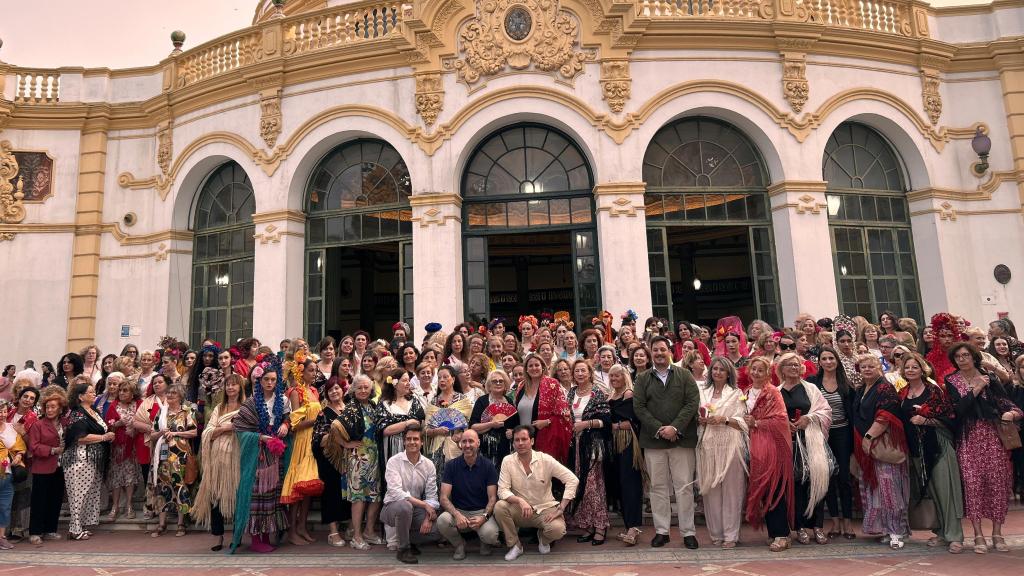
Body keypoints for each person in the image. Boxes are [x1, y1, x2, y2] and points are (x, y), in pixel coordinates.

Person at [944, 342, 1023, 553]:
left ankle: (997, 533)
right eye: (958, 356)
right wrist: (976, 389)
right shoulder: (951, 380)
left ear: (974, 357)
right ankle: (978, 534)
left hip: (992, 437)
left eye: (966, 355)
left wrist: (1013, 414)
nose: (962, 359)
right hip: (967, 438)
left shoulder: (991, 378)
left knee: (998, 482)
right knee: (972, 484)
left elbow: (1006, 404)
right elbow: (957, 411)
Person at [633, 336, 700, 549]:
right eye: (655, 350)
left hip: (682, 440)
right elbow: (639, 407)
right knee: (658, 488)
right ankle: (662, 531)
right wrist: (660, 429)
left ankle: (688, 532)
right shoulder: (643, 378)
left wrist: (675, 428)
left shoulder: (684, 375)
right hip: (654, 442)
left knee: (684, 488)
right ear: (651, 353)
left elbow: (692, 403)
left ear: (670, 351)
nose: (659, 353)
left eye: (663, 349)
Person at [897, 353, 964, 554]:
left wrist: (927, 421)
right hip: (917, 450)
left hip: (939, 446)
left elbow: (950, 418)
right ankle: (942, 532)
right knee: (933, 493)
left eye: (914, 367)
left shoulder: (934, 390)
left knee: (947, 493)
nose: (910, 370)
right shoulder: (902, 393)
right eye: (907, 367)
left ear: (922, 369)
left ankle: (955, 536)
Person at [230, 356, 291, 554]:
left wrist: (285, 425)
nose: (270, 383)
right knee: (257, 495)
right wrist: (261, 438)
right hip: (258, 454)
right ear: (259, 380)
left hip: (276, 453)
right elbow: (239, 428)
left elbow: (288, 419)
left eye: (273, 379)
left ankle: (266, 534)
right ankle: (256, 538)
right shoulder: (251, 403)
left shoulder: (283, 400)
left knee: (271, 496)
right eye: (266, 380)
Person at [494, 425, 579, 561]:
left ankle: (543, 540)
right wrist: (520, 501)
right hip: (520, 510)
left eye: (524, 439)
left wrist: (561, 508)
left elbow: (572, 480)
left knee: (558, 529)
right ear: (513, 442)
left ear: (532, 441)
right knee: (499, 507)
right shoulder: (508, 461)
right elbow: (502, 490)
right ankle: (515, 545)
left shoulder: (545, 459)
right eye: (517, 440)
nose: (520, 443)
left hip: (544, 508)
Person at [852, 354, 910, 550]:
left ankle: (896, 532)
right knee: (875, 490)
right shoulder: (860, 389)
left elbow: (885, 415)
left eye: (871, 366)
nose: (867, 369)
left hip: (882, 445)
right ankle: (885, 529)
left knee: (889, 489)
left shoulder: (885, 388)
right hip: (866, 447)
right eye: (863, 367)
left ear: (880, 367)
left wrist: (868, 438)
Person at [776, 352, 833, 545]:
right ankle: (799, 527)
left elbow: (825, 410)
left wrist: (808, 418)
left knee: (818, 480)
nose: (794, 368)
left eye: (797, 365)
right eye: (789, 365)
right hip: (788, 443)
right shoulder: (776, 391)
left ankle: (817, 526)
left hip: (811, 440)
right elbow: (772, 416)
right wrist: (784, 425)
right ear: (781, 369)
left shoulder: (811, 389)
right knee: (796, 485)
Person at [743, 356, 793, 552]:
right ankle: (774, 533)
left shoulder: (773, 393)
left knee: (775, 488)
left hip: (772, 446)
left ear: (767, 373)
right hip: (754, 445)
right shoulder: (746, 392)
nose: (755, 373)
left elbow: (781, 420)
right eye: (753, 369)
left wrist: (757, 423)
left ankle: (782, 535)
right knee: (764, 490)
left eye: (760, 370)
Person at [696, 357, 748, 549]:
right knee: (710, 490)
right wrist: (700, 420)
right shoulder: (702, 391)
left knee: (732, 491)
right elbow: (695, 414)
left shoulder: (736, 393)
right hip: (708, 445)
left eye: (721, 370)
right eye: (714, 369)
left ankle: (731, 535)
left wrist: (723, 419)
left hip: (731, 445)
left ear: (728, 373)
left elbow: (743, 423)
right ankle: (716, 534)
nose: (717, 372)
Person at [191, 372, 246, 552]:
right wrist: (227, 427)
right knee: (215, 496)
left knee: (236, 496)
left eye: (234, 384)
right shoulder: (218, 408)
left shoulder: (245, 407)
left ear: (240, 387)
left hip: (236, 457)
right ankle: (218, 535)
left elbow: (246, 429)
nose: (230, 387)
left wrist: (221, 429)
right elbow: (208, 433)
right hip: (216, 458)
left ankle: (237, 535)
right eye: (227, 384)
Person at [808, 347, 856, 539]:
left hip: (842, 433)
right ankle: (835, 522)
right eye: (824, 359)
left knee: (844, 478)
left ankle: (848, 523)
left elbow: (851, 413)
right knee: (826, 477)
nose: (828, 362)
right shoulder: (813, 383)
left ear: (837, 361)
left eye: (831, 358)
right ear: (819, 362)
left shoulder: (846, 384)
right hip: (821, 435)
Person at [381, 423, 441, 564]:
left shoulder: (428, 465)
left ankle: (409, 540)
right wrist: (424, 505)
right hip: (392, 508)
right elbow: (396, 493)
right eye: (409, 439)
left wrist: (428, 517)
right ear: (404, 441)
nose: (412, 442)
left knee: (439, 528)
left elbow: (432, 496)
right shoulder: (394, 462)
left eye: (415, 439)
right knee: (404, 506)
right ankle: (404, 549)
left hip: (416, 511)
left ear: (422, 442)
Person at [437, 429, 501, 560]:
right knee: (442, 521)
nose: (467, 445)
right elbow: (443, 498)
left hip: (481, 511)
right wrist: (457, 515)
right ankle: (459, 545)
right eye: (464, 441)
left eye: (471, 441)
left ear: (478, 443)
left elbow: (493, 498)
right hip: (459, 511)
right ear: (460, 444)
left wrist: (484, 517)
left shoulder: (488, 466)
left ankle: (485, 542)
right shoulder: (451, 466)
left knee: (490, 535)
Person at [280, 357, 323, 546]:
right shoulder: (295, 392)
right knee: (298, 486)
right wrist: (316, 421)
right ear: (301, 371)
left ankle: (302, 526)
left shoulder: (314, 391)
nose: (314, 373)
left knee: (308, 487)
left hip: (313, 441)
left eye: (316, 370)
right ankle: (292, 530)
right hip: (301, 442)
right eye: (311, 370)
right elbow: (295, 424)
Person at [63, 382, 114, 540]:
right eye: (90, 392)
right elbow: (80, 438)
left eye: (94, 392)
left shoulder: (94, 411)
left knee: (89, 492)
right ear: (80, 396)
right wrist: (104, 437)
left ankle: (82, 524)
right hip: (80, 457)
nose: (94, 395)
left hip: (94, 458)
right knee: (78, 493)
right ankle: (75, 529)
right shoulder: (77, 413)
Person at [148, 383, 197, 537]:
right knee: (162, 487)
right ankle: (161, 524)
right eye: (168, 393)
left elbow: (194, 432)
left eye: (173, 394)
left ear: (180, 396)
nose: (170, 396)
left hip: (180, 456)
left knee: (180, 486)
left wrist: (176, 433)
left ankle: (181, 523)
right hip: (162, 456)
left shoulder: (186, 412)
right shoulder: (161, 412)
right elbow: (152, 434)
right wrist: (161, 432)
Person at [341, 374, 383, 551]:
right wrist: (345, 443)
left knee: (374, 495)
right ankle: (356, 536)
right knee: (359, 497)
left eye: (367, 387)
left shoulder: (374, 405)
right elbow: (335, 428)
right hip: (357, 458)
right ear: (354, 390)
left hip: (374, 457)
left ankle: (369, 531)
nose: (364, 390)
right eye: (360, 388)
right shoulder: (350, 407)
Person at [511, 355, 571, 463]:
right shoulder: (521, 386)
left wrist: (548, 421)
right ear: (526, 369)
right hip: (523, 440)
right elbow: (515, 412)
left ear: (543, 367)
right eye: (530, 366)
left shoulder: (552, 384)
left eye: (537, 365)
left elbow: (564, 413)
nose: (534, 368)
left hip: (546, 437)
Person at [28, 386, 66, 545]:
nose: (49, 410)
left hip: (60, 467)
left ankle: (51, 529)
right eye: (47, 407)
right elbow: (33, 447)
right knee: (39, 501)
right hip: (42, 467)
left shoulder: (65, 423)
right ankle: (35, 532)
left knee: (55, 499)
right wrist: (52, 450)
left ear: (60, 409)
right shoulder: (38, 424)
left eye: (53, 407)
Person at [103, 376, 142, 521]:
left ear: (133, 393)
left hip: (133, 447)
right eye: (120, 390)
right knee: (116, 477)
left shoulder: (138, 404)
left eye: (125, 390)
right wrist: (117, 424)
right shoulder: (114, 405)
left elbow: (145, 421)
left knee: (130, 477)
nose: (122, 393)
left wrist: (135, 428)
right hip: (117, 448)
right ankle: (115, 506)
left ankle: (129, 506)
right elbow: (107, 426)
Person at [469, 370, 514, 465]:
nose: (498, 383)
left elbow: (516, 425)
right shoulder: (482, 401)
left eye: (501, 381)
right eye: (494, 381)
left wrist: (512, 431)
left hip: (505, 450)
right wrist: (491, 424)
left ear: (505, 384)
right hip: (485, 450)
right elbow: (473, 427)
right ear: (489, 385)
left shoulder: (509, 401)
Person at [0, 400, 26, 549]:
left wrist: (19, 455)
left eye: (4, 411)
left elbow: (20, 446)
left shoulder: (12, 428)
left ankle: (1, 537)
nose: (2, 415)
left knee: (4, 507)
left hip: (7, 474)